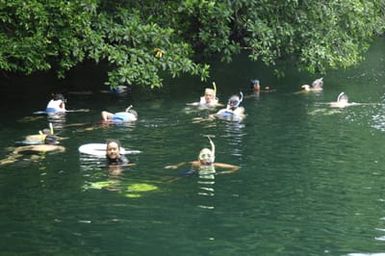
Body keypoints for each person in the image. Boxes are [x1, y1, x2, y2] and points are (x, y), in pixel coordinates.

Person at [165, 136, 239, 175]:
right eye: (203, 156)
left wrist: (224, 173)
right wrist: (176, 166)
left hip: (208, 174)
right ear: (199, 158)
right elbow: (185, 162)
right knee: (179, 176)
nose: (206, 158)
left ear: (212, 158)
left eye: (208, 156)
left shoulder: (215, 165)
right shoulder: (196, 163)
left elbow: (236, 167)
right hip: (192, 173)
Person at [0, 135, 65, 166]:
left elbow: (22, 148)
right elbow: (62, 150)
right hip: (38, 153)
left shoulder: (38, 145)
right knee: (34, 159)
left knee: (11, 158)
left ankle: (4, 161)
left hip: (29, 150)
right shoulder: (58, 147)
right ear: (54, 142)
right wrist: (52, 153)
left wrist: (15, 152)